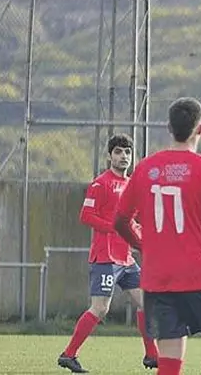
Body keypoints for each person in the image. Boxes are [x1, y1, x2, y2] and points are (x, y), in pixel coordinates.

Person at [114, 97, 201, 375]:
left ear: (169, 128)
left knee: (170, 360)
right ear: (200, 129)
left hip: (158, 279)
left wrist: (142, 244)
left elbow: (121, 220)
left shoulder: (145, 168)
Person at [58, 133, 158, 373]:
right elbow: (86, 216)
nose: (124, 156)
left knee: (146, 302)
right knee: (100, 308)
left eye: (127, 152)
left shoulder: (132, 185)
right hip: (105, 257)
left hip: (126, 259)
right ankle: (68, 355)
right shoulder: (100, 184)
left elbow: (133, 219)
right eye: (118, 152)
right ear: (110, 156)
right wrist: (115, 227)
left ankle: (151, 355)